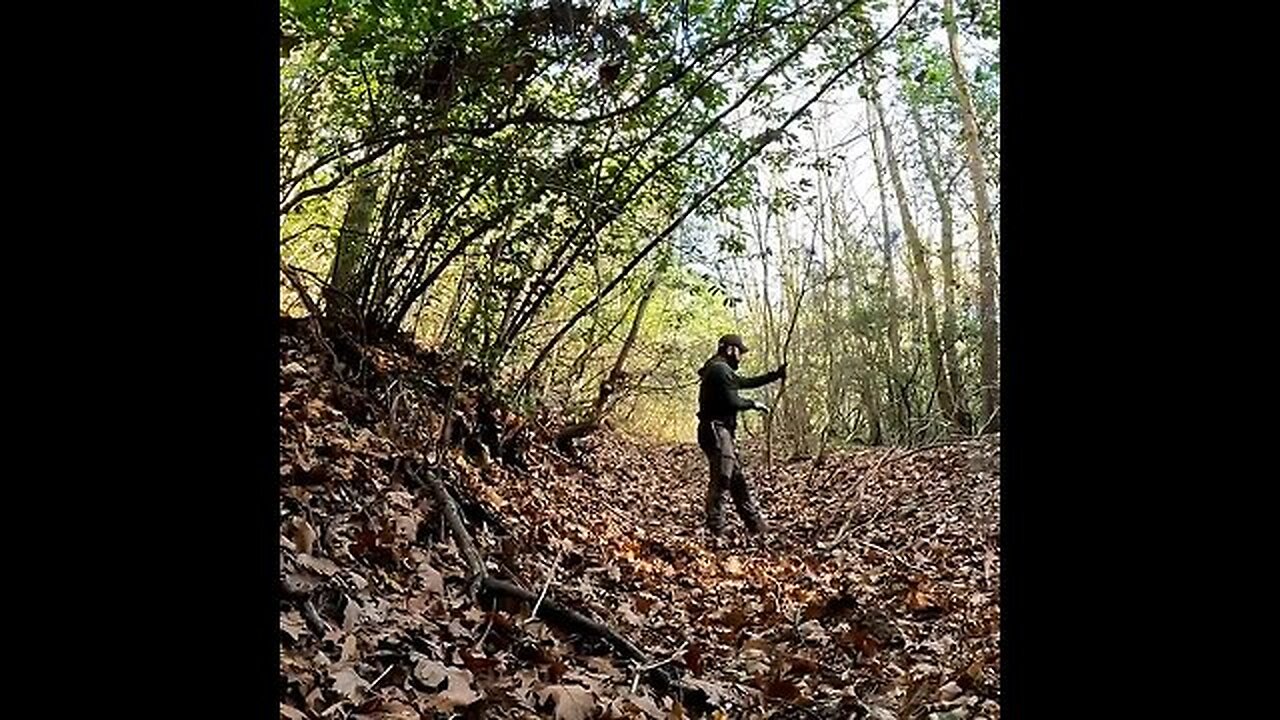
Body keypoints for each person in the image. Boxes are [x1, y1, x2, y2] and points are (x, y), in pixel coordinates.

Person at [695, 333, 786, 541]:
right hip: (715, 430)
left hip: (719, 431)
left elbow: (745, 382)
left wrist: (775, 375)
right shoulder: (719, 369)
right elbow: (732, 401)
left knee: (737, 481)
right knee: (723, 478)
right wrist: (753, 404)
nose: (741, 357)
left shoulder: (721, 369)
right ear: (730, 349)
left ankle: (757, 526)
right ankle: (715, 530)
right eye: (740, 352)